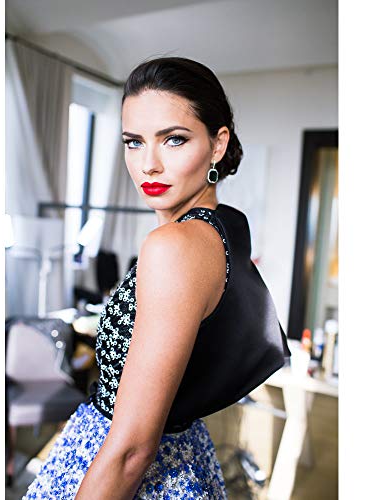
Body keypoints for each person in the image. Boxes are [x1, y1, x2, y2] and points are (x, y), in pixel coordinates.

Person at [23, 56, 285, 500]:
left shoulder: (174, 246)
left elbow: (131, 452)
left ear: (217, 144)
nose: (148, 164)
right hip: (187, 455)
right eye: (133, 142)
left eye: (174, 139)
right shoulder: (226, 228)